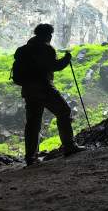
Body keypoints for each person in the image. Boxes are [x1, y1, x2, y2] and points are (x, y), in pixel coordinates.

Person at [20, 23, 85, 166]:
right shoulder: (46, 48)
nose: (50, 37)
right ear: (47, 35)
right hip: (43, 87)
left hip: (28, 90)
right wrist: (67, 58)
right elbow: (55, 66)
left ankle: (31, 157)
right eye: (50, 34)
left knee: (33, 122)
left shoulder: (25, 49)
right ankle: (69, 146)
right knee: (64, 111)